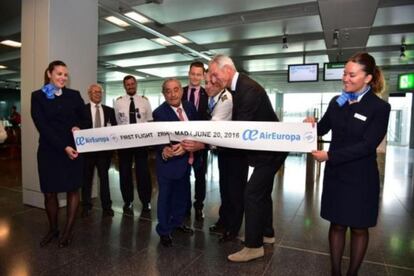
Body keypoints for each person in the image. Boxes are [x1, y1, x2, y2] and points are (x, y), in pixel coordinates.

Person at [304, 52, 391, 276]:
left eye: (352, 75)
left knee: (359, 228)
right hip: (336, 175)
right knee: (337, 224)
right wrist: (311, 125)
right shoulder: (337, 102)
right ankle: (335, 271)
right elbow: (322, 128)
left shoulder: (379, 108)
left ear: (368, 78)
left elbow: (367, 145)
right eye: (344, 74)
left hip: (361, 177)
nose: (345, 78)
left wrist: (330, 156)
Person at [209, 55, 288, 262]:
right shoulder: (239, 88)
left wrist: (206, 141)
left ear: (227, 70)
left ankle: (254, 246)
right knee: (262, 193)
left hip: (271, 151)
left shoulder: (248, 89)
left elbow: (239, 129)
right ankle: (267, 233)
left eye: (215, 74)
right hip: (268, 149)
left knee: (251, 193)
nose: (213, 79)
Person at [31, 60, 86, 248]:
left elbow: (85, 118)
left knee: (73, 189)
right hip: (49, 150)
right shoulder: (38, 96)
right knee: (49, 192)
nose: (63, 77)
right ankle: (53, 229)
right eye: (59, 73)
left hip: (73, 150)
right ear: (49, 74)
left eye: (65, 74)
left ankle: (68, 231)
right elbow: (43, 127)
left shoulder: (74, 95)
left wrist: (80, 126)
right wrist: (63, 147)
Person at [153, 78, 205, 247]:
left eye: (176, 89)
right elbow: (159, 137)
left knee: (182, 196)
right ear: (164, 94)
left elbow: (197, 130)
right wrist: (164, 150)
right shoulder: (159, 113)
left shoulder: (190, 107)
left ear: (182, 91)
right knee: (165, 198)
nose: (172, 94)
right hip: (168, 163)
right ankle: (164, 231)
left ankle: (177, 223)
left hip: (187, 161)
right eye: (168, 91)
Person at [204, 71, 248, 242]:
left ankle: (233, 229)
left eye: (211, 83)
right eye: (206, 83)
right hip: (224, 151)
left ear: (219, 84)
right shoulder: (212, 97)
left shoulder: (225, 100)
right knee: (225, 189)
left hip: (236, 153)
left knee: (235, 192)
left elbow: (213, 128)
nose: (207, 86)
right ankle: (224, 220)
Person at [114, 75, 153, 214]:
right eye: (128, 84)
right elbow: (118, 122)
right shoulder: (118, 102)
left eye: (132, 84)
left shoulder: (144, 101)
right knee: (124, 173)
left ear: (136, 84)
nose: (130, 86)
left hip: (141, 143)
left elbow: (149, 121)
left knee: (143, 173)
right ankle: (127, 201)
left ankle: (146, 201)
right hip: (125, 143)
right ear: (124, 86)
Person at [81, 84, 117, 218]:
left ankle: (107, 207)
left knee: (104, 179)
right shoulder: (82, 110)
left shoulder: (109, 110)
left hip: (103, 153)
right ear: (89, 94)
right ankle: (85, 206)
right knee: (86, 180)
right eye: (95, 92)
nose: (97, 94)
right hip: (87, 152)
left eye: (100, 92)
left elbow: (114, 130)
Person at [181, 61, 209, 221]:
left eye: (199, 74)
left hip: (201, 145)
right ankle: (184, 207)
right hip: (182, 142)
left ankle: (199, 206)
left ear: (203, 76)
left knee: (200, 177)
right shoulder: (180, 92)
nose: (195, 77)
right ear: (188, 73)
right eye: (193, 73)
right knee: (183, 176)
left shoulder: (208, 95)